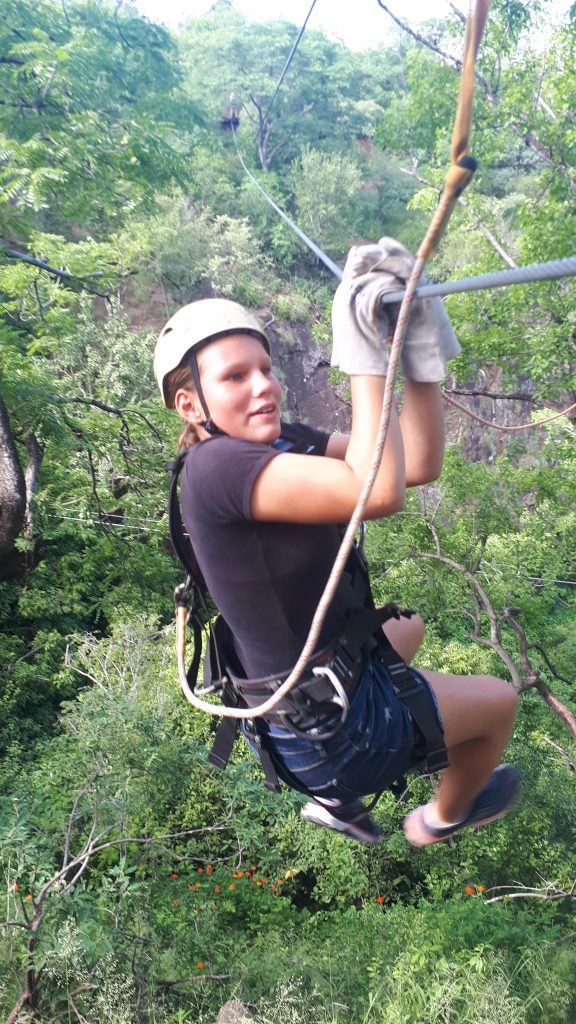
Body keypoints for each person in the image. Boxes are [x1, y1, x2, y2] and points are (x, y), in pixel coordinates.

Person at [153, 237, 519, 846]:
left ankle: (334, 801)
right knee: (499, 702)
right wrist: (363, 351)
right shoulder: (217, 468)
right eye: (236, 377)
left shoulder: (274, 442)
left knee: (411, 626)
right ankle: (439, 818)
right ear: (190, 404)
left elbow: (416, 462)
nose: (263, 386)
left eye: (265, 369)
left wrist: (418, 355)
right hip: (332, 732)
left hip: (297, 707)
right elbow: (375, 491)